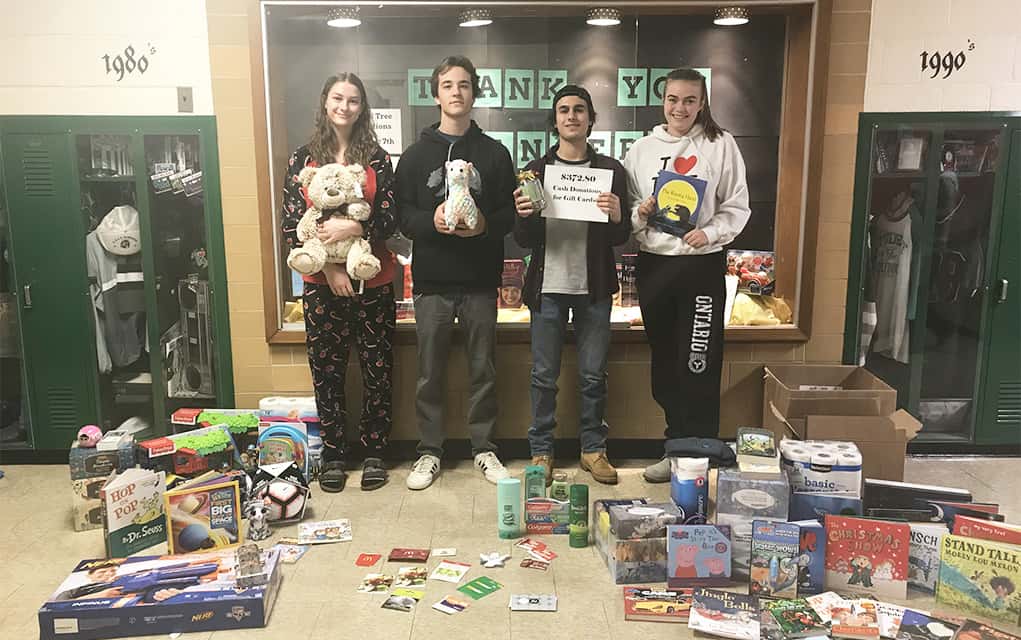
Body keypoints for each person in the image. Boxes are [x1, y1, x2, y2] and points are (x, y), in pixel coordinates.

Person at [623, 67, 751, 483]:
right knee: (665, 363)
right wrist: (640, 213)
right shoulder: (641, 150)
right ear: (663, 101)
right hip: (655, 264)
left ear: (702, 103)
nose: (680, 108)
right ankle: (675, 448)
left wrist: (709, 233)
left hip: (701, 265)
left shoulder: (721, 144)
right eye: (673, 99)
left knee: (698, 360)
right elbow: (627, 211)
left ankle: (698, 456)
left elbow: (736, 205)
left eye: (690, 100)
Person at [395, 55, 517, 490]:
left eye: (464, 84)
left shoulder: (495, 154)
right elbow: (402, 216)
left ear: (474, 92)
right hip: (432, 283)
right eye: (448, 85)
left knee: (484, 369)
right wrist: (431, 221)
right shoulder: (414, 157)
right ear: (436, 94)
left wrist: (484, 225)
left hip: (480, 280)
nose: (456, 92)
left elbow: (509, 215)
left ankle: (484, 448)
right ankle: (429, 451)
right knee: (429, 373)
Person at [280, 72, 397, 493]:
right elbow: (292, 225)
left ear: (362, 108)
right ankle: (333, 454)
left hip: (373, 279)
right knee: (326, 371)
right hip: (321, 283)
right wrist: (329, 270)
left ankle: (375, 451)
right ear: (325, 103)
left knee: (377, 368)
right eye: (337, 98)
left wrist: (354, 229)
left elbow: (390, 219)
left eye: (353, 100)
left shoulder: (378, 159)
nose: (344, 106)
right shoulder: (302, 159)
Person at [512, 84, 631, 485]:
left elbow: (621, 237)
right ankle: (541, 451)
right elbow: (523, 240)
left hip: (593, 288)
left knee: (594, 375)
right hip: (547, 286)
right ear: (555, 120)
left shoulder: (611, 171)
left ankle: (593, 449)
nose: (571, 116)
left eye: (579, 110)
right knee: (543, 377)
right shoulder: (535, 171)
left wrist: (617, 215)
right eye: (564, 110)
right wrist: (524, 215)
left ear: (591, 119)